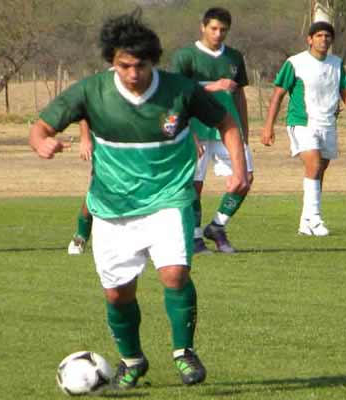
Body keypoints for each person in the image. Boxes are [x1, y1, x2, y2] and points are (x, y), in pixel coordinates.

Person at [29, 10, 248, 389]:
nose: (133, 74)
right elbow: (41, 126)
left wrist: (240, 168)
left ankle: (184, 352)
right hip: (112, 207)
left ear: (153, 61)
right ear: (112, 62)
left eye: (140, 65)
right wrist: (41, 141)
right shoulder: (90, 91)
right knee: (117, 293)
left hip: (168, 197)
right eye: (124, 65)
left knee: (175, 273)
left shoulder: (180, 89)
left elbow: (225, 122)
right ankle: (132, 360)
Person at [261, 20, 346, 236]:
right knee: (313, 164)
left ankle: (306, 221)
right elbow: (278, 94)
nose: (324, 39)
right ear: (309, 39)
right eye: (319, 35)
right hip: (303, 122)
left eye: (327, 36)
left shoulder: (336, 63)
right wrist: (268, 126)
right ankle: (315, 219)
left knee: (320, 170)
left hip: (328, 123)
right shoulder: (295, 62)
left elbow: (345, 92)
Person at [171, 7, 253, 254]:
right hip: (195, 128)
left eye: (223, 30)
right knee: (194, 185)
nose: (218, 34)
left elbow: (239, 95)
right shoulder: (185, 56)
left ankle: (217, 225)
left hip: (227, 130)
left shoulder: (235, 58)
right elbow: (176, 95)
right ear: (203, 27)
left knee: (245, 178)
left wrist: (244, 132)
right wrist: (213, 87)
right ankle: (194, 237)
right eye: (214, 28)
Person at [68, 120, 93, 255]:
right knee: (96, 191)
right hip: (107, 146)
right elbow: (85, 111)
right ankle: (81, 236)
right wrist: (85, 138)